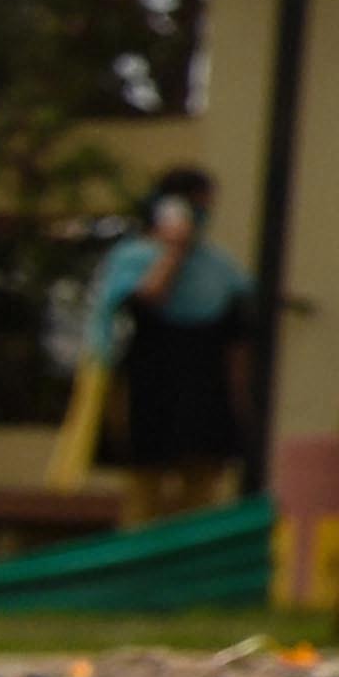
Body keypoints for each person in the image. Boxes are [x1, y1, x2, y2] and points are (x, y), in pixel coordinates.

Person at [86, 165, 252, 524]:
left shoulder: (220, 268)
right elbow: (144, 302)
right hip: (150, 386)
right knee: (144, 494)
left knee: (202, 491)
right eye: (194, 208)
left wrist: (241, 403)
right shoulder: (133, 258)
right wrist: (173, 251)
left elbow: (237, 337)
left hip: (205, 389)